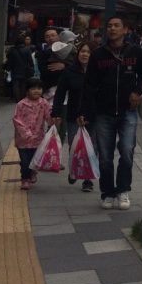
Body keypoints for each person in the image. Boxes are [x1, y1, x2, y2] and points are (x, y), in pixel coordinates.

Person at [80, 16, 142, 211]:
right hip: (103, 112)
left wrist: (137, 91)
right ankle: (107, 192)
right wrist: (84, 111)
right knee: (105, 156)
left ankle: (123, 190)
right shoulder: (99, 55)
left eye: (116, 25)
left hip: (128, 111)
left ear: (125, 29)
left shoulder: (135, 52)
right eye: (109, 26)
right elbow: (89, 85)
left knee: (127, 151)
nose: (112, 29)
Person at [52, 40, 95, 192]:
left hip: (92, 114)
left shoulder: (97, 71)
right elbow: (60, 93)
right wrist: (56, 113)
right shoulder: (70, 71)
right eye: (82, 51)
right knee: (75, 145)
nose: (85, 54)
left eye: (88, 52)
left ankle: (87, 180)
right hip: (74, 114)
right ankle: (74, 169)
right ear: (78, 54)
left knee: (91, 148)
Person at [13, 77, 51, 190]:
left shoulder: (44, 103)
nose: (36, 91)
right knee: (25, 161)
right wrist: (26, 133)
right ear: (27, 90)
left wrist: (53, 120)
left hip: (38, 138)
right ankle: (25, 179)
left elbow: (48, 116)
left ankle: (33, 172)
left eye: (39, 88)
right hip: (23, 140)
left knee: (35, 159)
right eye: (33, 88)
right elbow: (17, 120)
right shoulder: (21, 104)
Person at [5, 32, 37, 101]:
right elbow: (30, 61)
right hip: (25, 70)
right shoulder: (27, 50)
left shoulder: (12, 50)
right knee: (23, 84)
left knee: (15, 84)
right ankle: (22, 98)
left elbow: (9, 61)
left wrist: (8, 68)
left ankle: (17, 98)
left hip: (15, 69)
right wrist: (31, 67)